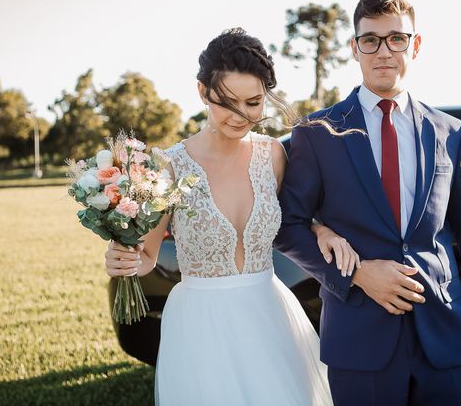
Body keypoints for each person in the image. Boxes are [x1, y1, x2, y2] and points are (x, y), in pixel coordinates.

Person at [274, 0, 461, 405]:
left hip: (442, 338)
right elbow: (286, 225)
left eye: (397, 38)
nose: (384, 52)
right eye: (370, 40)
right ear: (354, 48)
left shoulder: (450, 132)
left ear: (416, 45)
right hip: (359, 340)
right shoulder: (317, 133)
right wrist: (356, 274)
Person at [103, 28, 354, 405]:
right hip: (201, 328)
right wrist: (121, 258)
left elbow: (293, 219)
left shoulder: (272, 155)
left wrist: (323, 231)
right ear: (203, 92)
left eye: (253, 103)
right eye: (227, 102)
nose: (241, 116)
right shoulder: (167, 165)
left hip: (270, 316)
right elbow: (146, 257)